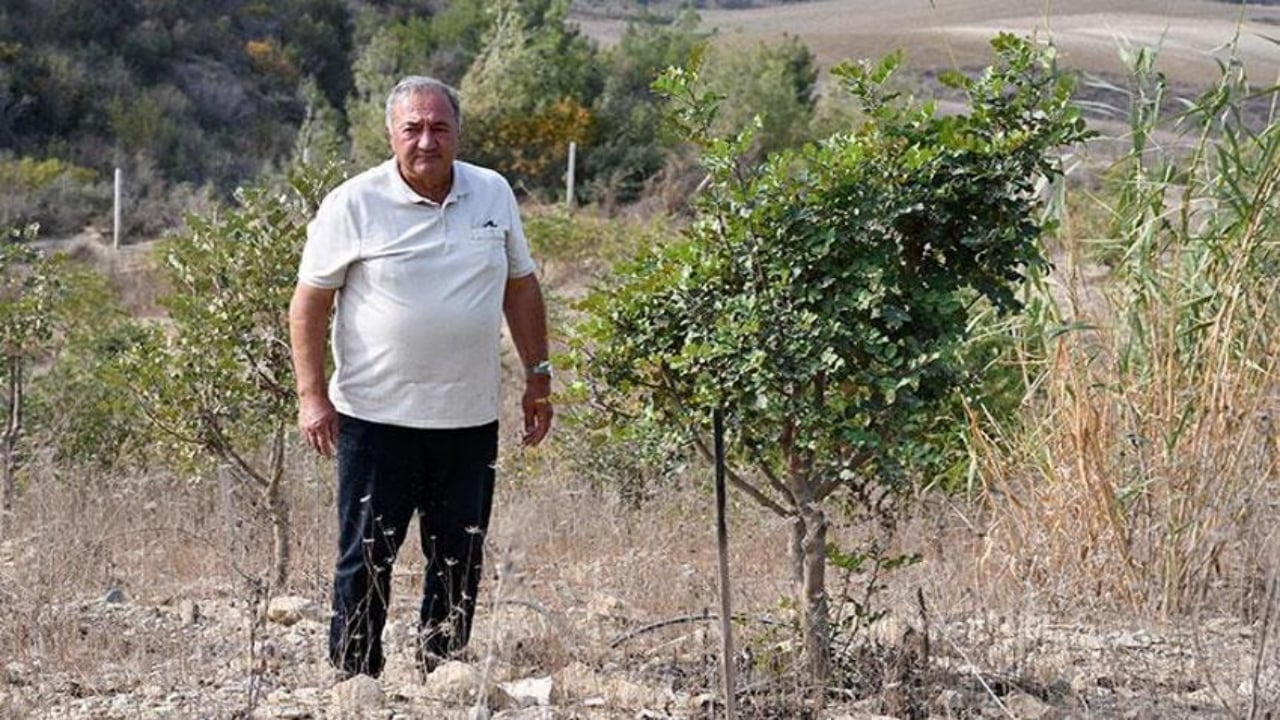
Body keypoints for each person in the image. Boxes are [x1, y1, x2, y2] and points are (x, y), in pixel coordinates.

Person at [288, 75, 553, 679]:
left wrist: (539, 376)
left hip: (468, 416)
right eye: (413, 128)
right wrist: (311, 395)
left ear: (458, 132)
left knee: (459, 553)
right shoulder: (353, 203)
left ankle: (444, 669)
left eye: (439, 127)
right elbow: (308, 304)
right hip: (375, 417)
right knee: (366, 554)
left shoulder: (492, 193)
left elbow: (521, 285)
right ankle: (355, 679)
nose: (426, 141)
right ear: (391, 134)